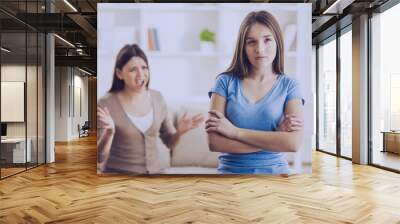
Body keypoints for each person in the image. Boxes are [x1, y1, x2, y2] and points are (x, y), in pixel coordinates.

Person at [206, 11, 304, 175]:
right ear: (243, 48)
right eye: (251, 42)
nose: (260, 49)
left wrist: (234, 132)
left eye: (267, 40)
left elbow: (293, 143)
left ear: (278, 42)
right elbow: (214, 142)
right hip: (230, 175)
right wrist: (276, 138)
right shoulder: (224, 82)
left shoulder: (290, 86)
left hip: (276, 175)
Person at [97, 44, 204, 174]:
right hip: (120, 178)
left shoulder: (157, 98)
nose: (140, 75)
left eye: (144, 68)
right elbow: (99, 157)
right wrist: (109, 132)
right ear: (119, 73)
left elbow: (169, 141)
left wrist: (179, 132)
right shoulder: (105, 104)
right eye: (133, 70)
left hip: (154, 175)